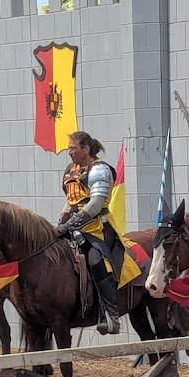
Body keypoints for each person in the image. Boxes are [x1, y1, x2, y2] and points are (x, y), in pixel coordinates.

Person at [56, 131, 132, 335]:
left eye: (73, 148)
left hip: (97, 227)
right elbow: (71, 201)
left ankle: (111, 315)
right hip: (74, 225)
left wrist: (73, 223)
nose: (69, 152)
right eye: (69, 148)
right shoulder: (71, 170)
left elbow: (96, 204)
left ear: (86, 149)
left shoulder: (99, 169)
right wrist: (61, 222)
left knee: (96, 260)